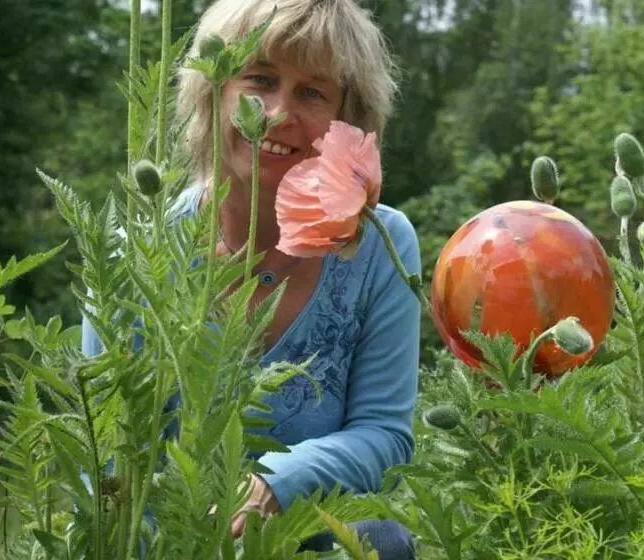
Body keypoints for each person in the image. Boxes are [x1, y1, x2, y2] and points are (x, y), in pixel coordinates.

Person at [82, 0, 421, 557]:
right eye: (259, 79)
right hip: (165, 546)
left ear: (348, 122)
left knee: (381, 541)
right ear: (211, 92)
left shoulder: (380, 244)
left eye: (312, 92)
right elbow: (109, 471)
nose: (276, 112)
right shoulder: (135, 255)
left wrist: (276, 484)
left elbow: (385, 433)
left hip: (303, 535)